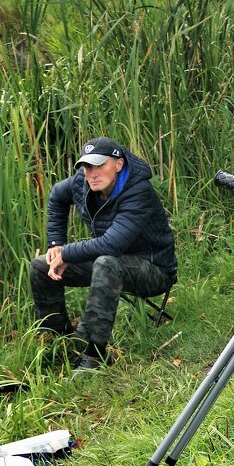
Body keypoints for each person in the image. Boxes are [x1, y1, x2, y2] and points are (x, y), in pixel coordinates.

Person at [30, 137, 177, 372]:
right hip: (107, 261)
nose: (93, 174)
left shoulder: (138, 191)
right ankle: (62, 342)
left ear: (118, 164)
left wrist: (67, 253)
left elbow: (111, 245)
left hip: (153, 269)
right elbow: (57, 196)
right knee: (40, 266)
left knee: (107, 263)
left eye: (100, 165)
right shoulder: (83, 182)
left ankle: (94, 354)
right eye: (88, 167)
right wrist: (56, 245)